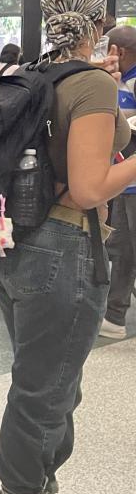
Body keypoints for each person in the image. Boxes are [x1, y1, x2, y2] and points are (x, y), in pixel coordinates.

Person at [0, 0, 135, 494]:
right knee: (45, 390)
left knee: (49, 383)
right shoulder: (91, 86)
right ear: (99, 23)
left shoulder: (26, 75)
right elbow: (88, 187)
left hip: (12, 243)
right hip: (64, 250)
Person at [102, 24, 136, 339]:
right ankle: (114, 315)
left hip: (132, 180)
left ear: (119, 52)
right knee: (122, 246)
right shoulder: (117, 81)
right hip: (123, 181)